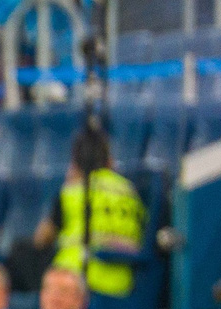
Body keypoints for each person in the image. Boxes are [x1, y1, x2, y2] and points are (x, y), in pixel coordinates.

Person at [29, 122, 145, 300]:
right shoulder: (129, 191)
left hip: (74, 282)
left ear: (75, 162)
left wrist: (70, 182)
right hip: (122, 284)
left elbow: (41, 239)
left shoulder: (73, 192)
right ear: (109, 159)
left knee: (21, 252)